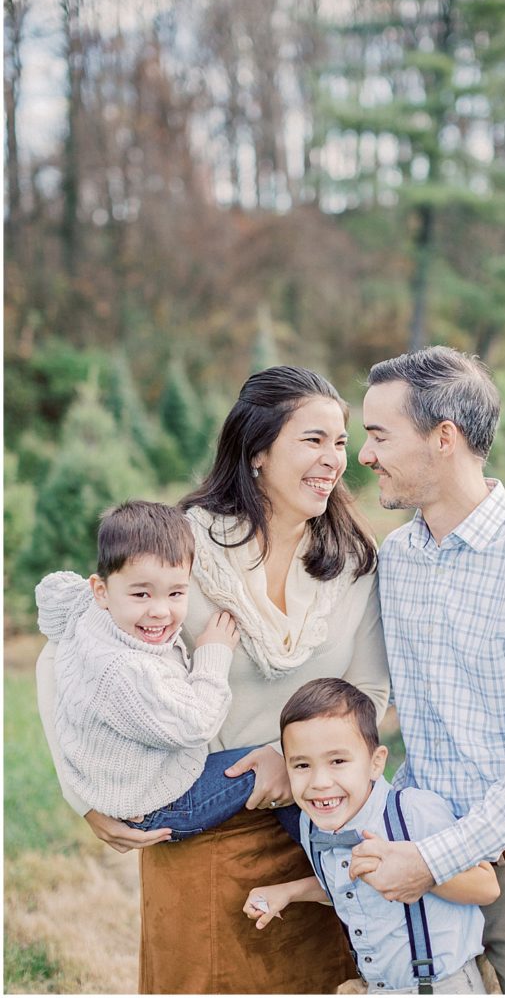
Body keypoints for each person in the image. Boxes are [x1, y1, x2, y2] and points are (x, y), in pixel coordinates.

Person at [36, 365, 389, 995]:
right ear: (257, 451)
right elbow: (65, 661)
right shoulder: (181, 545)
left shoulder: (353, 560)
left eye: (340, 443)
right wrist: (83, 798)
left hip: (316, 826)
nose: (334, 460)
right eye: (312, 440)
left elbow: (368, 692)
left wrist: (292, 759)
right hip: (201, 823)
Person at [353, 346, 505, 995]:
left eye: (378, 435)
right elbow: (382, 700)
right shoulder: (398, 559)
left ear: (444, 438)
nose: (363, 454)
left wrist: (436, 857)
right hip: (423, 867)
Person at [34, 500, 299, 842]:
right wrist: (213, 653)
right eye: (141, 594)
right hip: (156, 807)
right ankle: (333, 868)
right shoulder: (126, 672)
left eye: (175, 592)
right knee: (276, 766)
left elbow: (61, 601)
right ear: (101, 590)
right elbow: (197, 724)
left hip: (128, 783)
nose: (160, 611)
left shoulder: (92, 611)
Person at [244, 678, 499, 995]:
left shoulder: (412, 811)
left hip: (442, 985)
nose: (320, 781)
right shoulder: (312, 826)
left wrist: (418, 867)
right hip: (377, 987)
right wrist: (289, 891)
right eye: (302, 765)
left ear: (375, 763)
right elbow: (345, 887)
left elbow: (487, 887)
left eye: (338, 761)